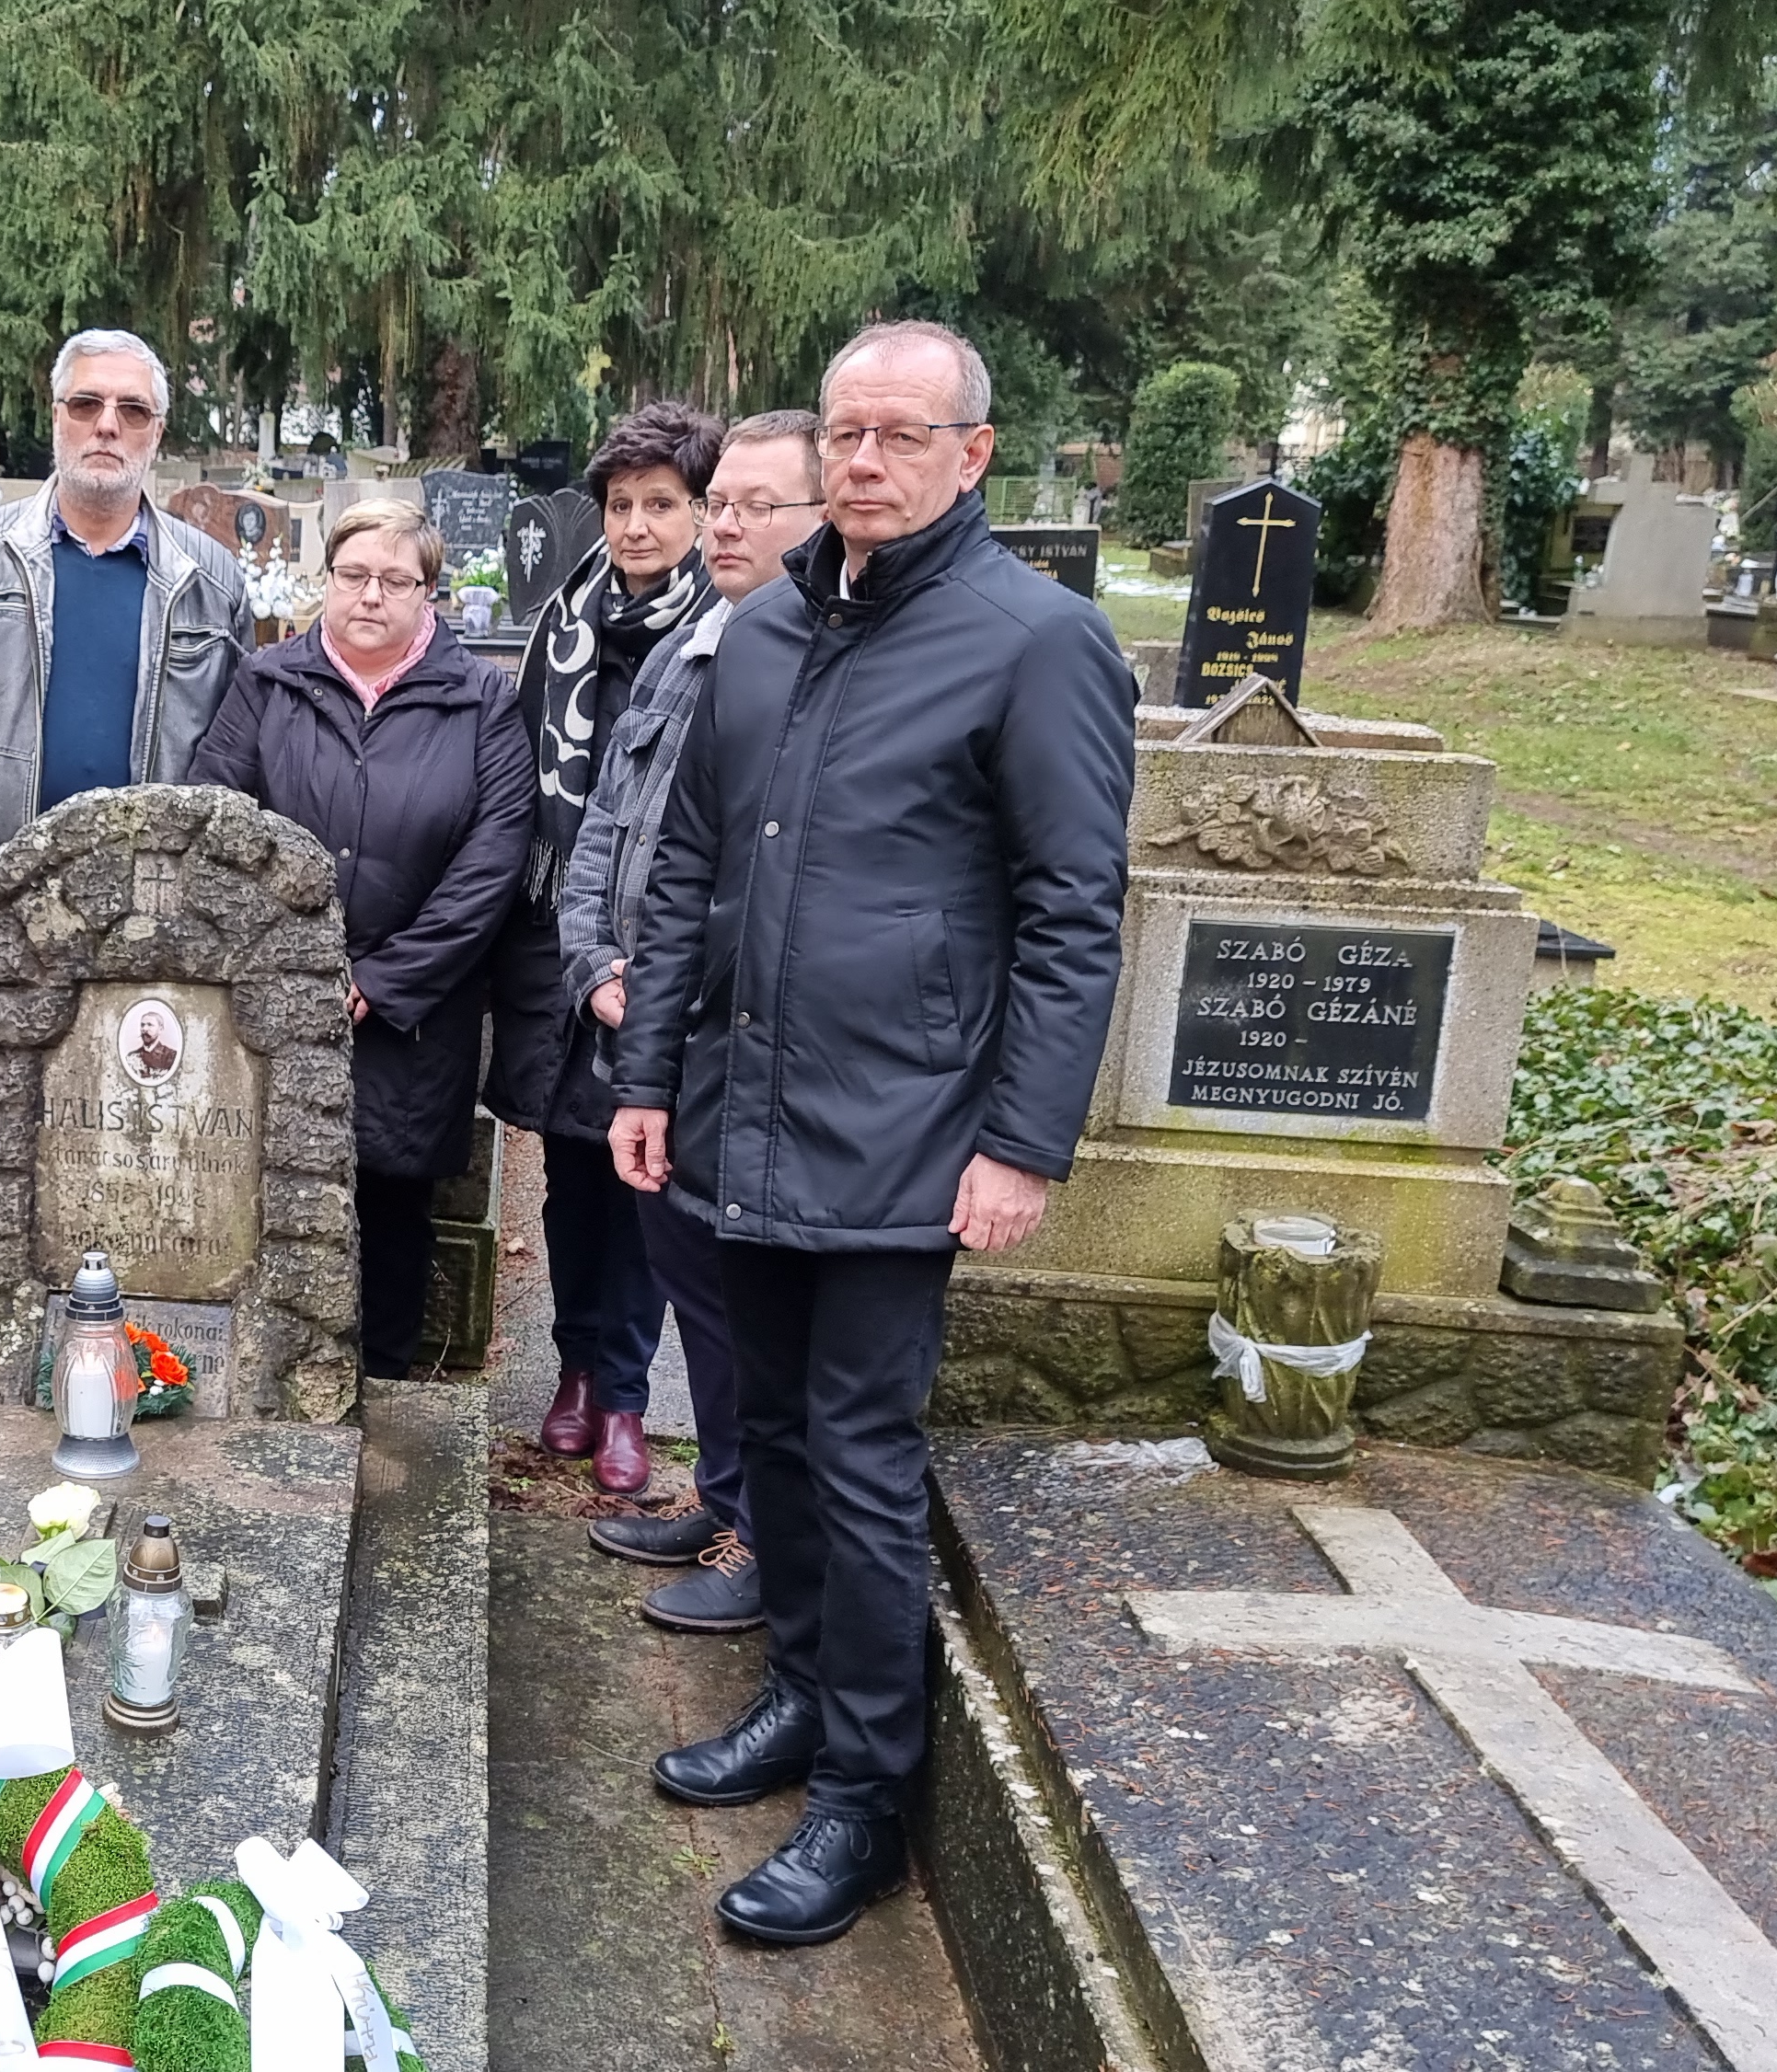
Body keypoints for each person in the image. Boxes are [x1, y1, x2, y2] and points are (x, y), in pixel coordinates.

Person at [608, 320, 1132, 1944]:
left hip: (907, 1128)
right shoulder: (766, 628)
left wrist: (1025, 1143)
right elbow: (689, 870)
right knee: (766, 1431)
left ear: (973, 453)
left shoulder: (1035, 642)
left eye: (903, 435)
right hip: (743, 1107)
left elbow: (1072, 912)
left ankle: (862, 1798)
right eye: (846, 431)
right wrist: (648, 1081)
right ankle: (800, 1697)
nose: (865, 460)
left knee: (862, 1453)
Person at [559, 409, 827, 1632]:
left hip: (731, 1039)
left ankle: (765, 1537)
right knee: (687, 1277)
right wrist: (593, 966)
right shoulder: (692, 645)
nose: (723, 526)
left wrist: (666, 994)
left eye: (754, 507)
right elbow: (606, 830)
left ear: (821, 519)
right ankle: (725, 1499)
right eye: (718, 504)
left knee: (740, 1301)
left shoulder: (813, 661)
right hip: (645, 1025)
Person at [186, 499, 529, 1375]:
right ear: (328, 580)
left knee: (391, 1205)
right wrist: (289, 971)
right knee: (263, 1188)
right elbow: (214, 825)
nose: (372, 595)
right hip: (276, 1003)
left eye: (396, 580)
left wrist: (379, 981)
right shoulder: (267, 682)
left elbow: (492, 862)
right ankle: (261, 1375)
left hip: (411, 1015)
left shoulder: (483, 700)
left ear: (428, 593)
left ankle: (380, 1380)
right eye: (355, 575)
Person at [490, 401, 725, 1495]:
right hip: (556, 938)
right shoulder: (566, 623)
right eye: (621, 505)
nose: (636, 526)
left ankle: (627, 1391)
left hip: (663, 945)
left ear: (700, 512)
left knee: (643, 1175)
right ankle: (574, 1366)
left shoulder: (722, 630)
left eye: (660, 505)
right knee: (570, 1171)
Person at [0, 328, 250, 968]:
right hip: (4, 919)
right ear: (57, 416)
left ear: (156, 432)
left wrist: (191, 907)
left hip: (158, 932)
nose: (107, 425)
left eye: (132, 410)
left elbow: (239, 760)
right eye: (87, 404)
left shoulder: (213, 581)